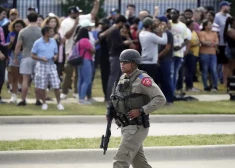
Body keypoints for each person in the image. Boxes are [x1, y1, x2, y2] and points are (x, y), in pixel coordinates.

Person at [110, 49, 166, 168]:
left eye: (125, 62)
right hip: (126, 126)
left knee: (120, 161)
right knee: (139, 164)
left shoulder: (143, 79)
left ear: (134, 63)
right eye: (121, 62)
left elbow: (160, 98)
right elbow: (118, 98)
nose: (122, 64)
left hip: (136, 127)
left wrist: (141, 110)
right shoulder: (124, 77)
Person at [59, 1, 99, 99]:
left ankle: (76, 92)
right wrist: (75, 24)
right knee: (68, 72)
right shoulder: (65, 22)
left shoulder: (82, 18)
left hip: (81, 52)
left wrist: (96, 4)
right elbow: (67, 36)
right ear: (71, 12)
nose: (78, 14)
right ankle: (64, 92)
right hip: (70, 51)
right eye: (76, 12)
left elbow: (92, 14)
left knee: (78, 74)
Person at [31, 26, 64, 110]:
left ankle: (59, 103)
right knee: (42, 85)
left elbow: (56, 52)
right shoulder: (37, 42)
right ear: (46, 33)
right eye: (51, 31)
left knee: (56, 85)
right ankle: (44, 103)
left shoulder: (53, 41)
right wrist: (41, 58)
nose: (53, 33)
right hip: (41, 65)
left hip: (51, 64)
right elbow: (33, 55)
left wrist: (55, 56)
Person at [14, 13, 42, 106]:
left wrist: (15, 57)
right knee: (37, 80)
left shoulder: (23, 31)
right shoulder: (41, 31)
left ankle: (23, 100)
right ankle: (38, 100)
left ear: (28, 19)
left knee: (25, 80)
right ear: (36, 19)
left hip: (26, 56)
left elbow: (18, 45)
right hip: (38, 57)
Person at [139, 17, 167, 83]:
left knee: (144, 80)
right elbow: (164, 41)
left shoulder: (141, 33)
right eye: (152, 24)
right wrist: (164, 32)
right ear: (149, 26)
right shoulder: (151, 35)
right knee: (150, 82)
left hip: (144, 61)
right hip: (151, 62)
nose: (154, 25)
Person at [7, 19, 27, 103]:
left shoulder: (25, 34)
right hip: (13, 55)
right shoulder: (11, 34)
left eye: (19, 26)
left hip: (23, 54)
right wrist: (11, 41)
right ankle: (14, 95)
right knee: (14, 76)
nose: (18, 28)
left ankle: (23, 96)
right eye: (16, 26)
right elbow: (8, 47)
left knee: (22, 76)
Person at [198, 20, 219, 91]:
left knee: (213, 70)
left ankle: (215, 85)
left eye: (211, 24)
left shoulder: (214, 33)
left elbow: (217, 42)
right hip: (204, 53)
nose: (211, 26)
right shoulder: (202, 33)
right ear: (205, 26)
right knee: (205, 70)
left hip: (213, 53)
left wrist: (209, 43)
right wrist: (212, 42)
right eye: (209, 24)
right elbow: (203, 42)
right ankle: (206, 86)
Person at [214, 1, 231, 86]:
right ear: (223, 7)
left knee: (227, 63)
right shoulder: (217, 16)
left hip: (227, 43)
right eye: (228, 6)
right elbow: (215, 30)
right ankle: (219, 80)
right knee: (219, 63)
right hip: (220, 43)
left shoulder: (229, 17)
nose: (229, 8)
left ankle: (226, 81)